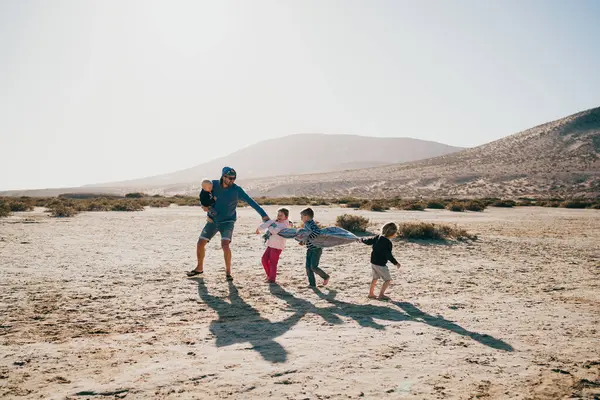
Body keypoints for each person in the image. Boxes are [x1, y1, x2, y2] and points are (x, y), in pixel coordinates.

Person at [186, 167, 269, 280]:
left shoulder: (236, 190)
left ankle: (228, 272)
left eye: (234, 178)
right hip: (213, 220)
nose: (232, 180)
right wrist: (204, 206)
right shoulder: (212, 184)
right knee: (200, 243)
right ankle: (199, 268)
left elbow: (251, 202)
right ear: (223, 176)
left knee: (225, 245)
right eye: (230, 178)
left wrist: (263, 215)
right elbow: (203, 195)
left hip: (228, 221)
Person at [360, 222, 401, 300]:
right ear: (393, 233)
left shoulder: (378, 237)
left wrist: (362, 240)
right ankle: (381, 295)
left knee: (375, 278)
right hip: (381, 264)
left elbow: (368, 241)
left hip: (373, 262)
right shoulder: (388, 242)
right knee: (388, 280)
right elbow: (388, 255)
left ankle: (371, 294)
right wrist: (396, 263)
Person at [255, 207, 293, 284]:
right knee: (264, 259)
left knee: (273, 263)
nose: (279, 216)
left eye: (281, 215)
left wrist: (270, 225)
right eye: (278, 215)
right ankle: (269, 276)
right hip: (271, 244)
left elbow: (274, 231)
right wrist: (258, 229)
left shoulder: (285, 224)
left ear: (286, 217)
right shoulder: (275, 221)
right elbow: (267, 223)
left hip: (277, 246)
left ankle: (272, 279)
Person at [299, 207, 330, 288]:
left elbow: (317, 232)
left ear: (306, 216)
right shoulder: (307, 224)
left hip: (316, 249)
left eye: (302, 216)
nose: (301, 218)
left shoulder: (311, 224)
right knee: (308, 267)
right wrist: (303, 241)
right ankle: (312, 284)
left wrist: (308, 238)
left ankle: (326, 277)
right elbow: (307, 235)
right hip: (310, 248)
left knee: (313, 267)